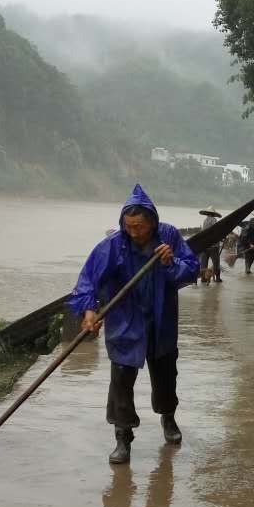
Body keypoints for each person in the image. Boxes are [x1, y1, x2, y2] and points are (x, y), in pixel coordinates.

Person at [68, 184, 200, 464]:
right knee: (121, 382)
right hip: (126, 321)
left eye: (139, 226)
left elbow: (191, 270)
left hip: (161, 320)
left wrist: (169, 263)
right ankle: (122, 437)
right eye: (129, 226)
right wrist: (89, 311)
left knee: (165, 376)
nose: (134, 232)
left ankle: (168, 417)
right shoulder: (114, 245)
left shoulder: (170, 236)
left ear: (152, 222)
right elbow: (87, 280)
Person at [199, 206, 224, 284]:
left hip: (204, 246)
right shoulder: (214, 220)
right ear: (213, 214)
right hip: (213, 246)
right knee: (216, 263)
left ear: (207, 213)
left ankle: (203, 279)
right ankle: (218, 278)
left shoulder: (205, 221)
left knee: (203, 264)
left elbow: (204, 232)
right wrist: (222, 238)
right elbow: (216, 232)